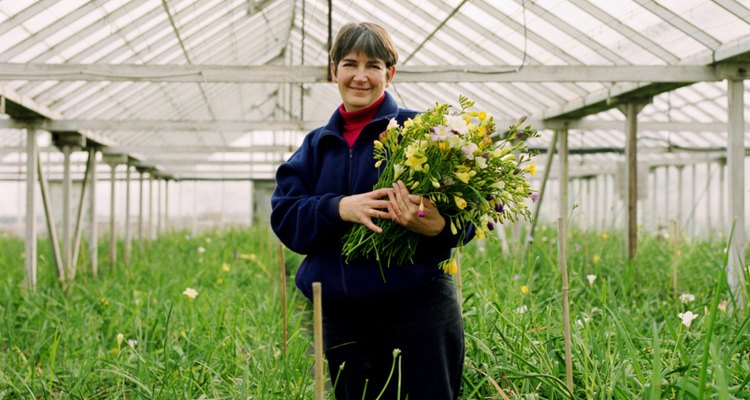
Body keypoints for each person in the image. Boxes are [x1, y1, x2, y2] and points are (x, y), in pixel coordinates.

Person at [271, 22, 470, 400]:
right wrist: (339, 208)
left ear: (389, 74)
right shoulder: (317, 146)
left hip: (420, 311)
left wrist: (435, 225)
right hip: (344, 318)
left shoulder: (422, 132)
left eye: (373, 66)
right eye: (350, 64)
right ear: (334, 71)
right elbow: (285, 216)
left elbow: (467, 217)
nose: (360, 76)